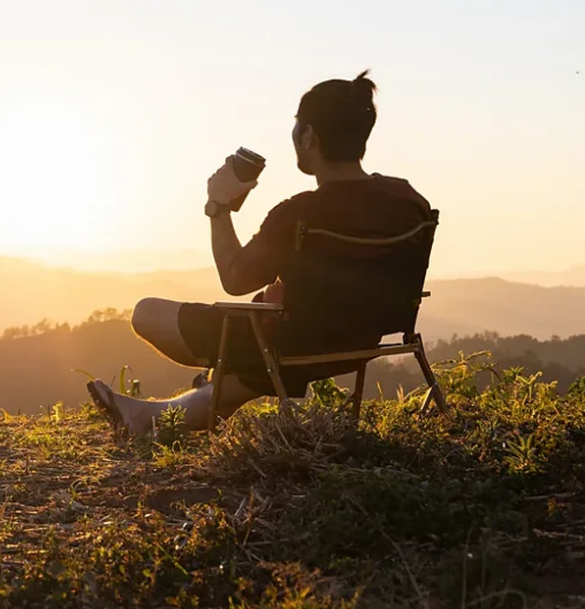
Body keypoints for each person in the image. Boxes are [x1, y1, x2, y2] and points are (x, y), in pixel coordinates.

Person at [88, 70, 433, 437]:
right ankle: (156, 412)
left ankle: (168, 407)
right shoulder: (409, 201)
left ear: (308, 135)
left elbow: (235, 281)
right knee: (254, 361)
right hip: (362, 340)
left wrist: (218, 207)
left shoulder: (298, 214)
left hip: (288, 343)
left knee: (146, 312)